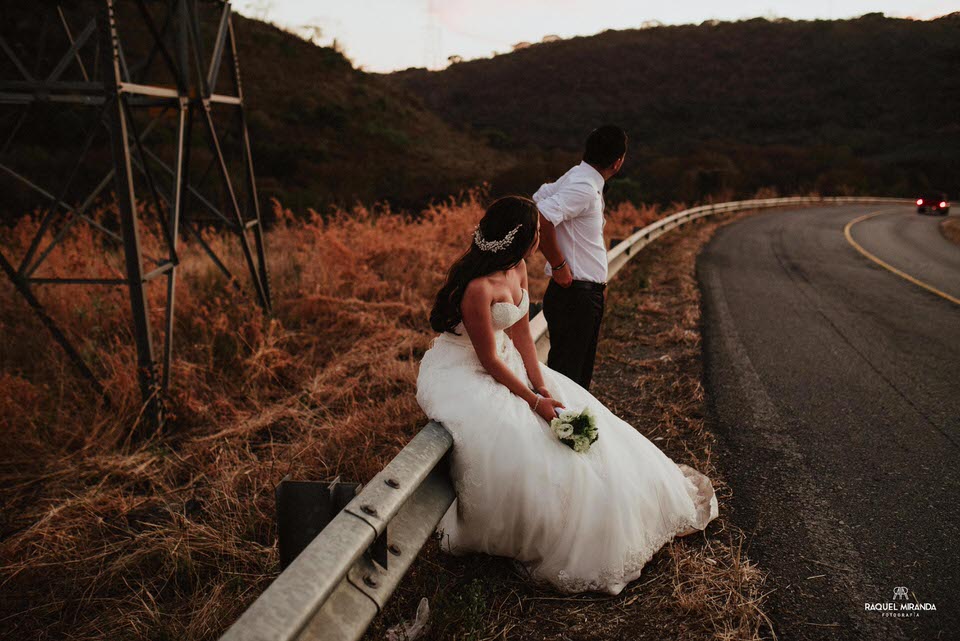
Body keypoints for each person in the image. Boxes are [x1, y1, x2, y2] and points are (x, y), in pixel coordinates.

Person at [416, 195, 718, 595]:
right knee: (519, 440)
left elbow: (522, 333)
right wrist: (532, 400)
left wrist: (540, 382)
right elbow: (488, 359)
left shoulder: (518, 267)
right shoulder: (477, 288)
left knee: (583, 418)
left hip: (511, 362)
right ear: (519, 237)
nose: (542, 239)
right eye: (537, 233)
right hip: (468, 370)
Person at [534, 125, 627, 390]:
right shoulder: (584, 187)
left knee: (571, 378)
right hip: (576, 295)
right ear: (617, 162)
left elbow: (538, 198)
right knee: (571, 383)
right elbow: (541, 217)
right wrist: (559, 264)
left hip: (578, 295)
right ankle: (562, 431)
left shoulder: (577, 176)